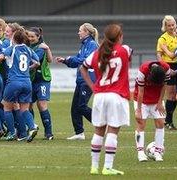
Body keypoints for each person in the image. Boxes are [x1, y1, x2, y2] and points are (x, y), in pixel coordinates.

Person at [81, 24, 132, 175]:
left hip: (100, 96)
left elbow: (83, 67)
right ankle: (108, 167)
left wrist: (92, 86)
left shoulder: (96, 53)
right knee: (113, 131)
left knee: (98, 131)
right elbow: (128, 57)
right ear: (119, 37)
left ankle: (94, 167)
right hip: (116, 95)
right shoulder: (125, 50)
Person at [0, 29, 40, 142]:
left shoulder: (12, 48)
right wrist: (28, 68)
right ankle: (32, 127)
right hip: (27, 82)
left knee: (6, 105)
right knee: (24, 108)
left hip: (14, 81)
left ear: (14, 39)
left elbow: (0, 57)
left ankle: (12, 132)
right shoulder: (28, 49)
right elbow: (37, 63)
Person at [55, 23, 99, 140]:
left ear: (87, 32)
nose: (78, 33)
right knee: (75, 108)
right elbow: (77, 62)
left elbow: (86, 60)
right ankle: (79, 133)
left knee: (82, 106)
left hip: (88, 80)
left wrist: (71, 58)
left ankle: (101, 124)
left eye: (80, 31)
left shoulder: (92, 45)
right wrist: (65, 60)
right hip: (80, 80)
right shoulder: (84, 45)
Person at [134, 60, 171, 162]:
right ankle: (140, 153)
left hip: (157, 100)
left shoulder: (166, 68)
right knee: (141, 124)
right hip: (142, 101)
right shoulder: (143, 70)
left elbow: (164, 86)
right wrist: (138, 109)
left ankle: (158, 152)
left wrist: (160, 102)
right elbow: (140, 92)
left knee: (160, 123)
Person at [27, 27, 54, 140]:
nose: (30, 38)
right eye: (29, 36)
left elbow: (49, 60)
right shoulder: (27, 46)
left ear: (38, 37)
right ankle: (31, 129)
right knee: (28, 105)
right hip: (31, 80)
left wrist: (47, 50)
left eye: (33, 36)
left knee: (41, 104)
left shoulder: (42, 47)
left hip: (43, 79)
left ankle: (48, 133)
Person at [156, 15, 177, 130]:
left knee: (176, 96)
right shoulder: (162, 39)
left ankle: (168, 120)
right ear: (165, 26)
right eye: (168, 25)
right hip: (168, 65)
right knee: (170, 94)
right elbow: (159, 54)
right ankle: (168, 121)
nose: (171, 27)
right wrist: (164, 67)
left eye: (173, 25)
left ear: (175, 24)